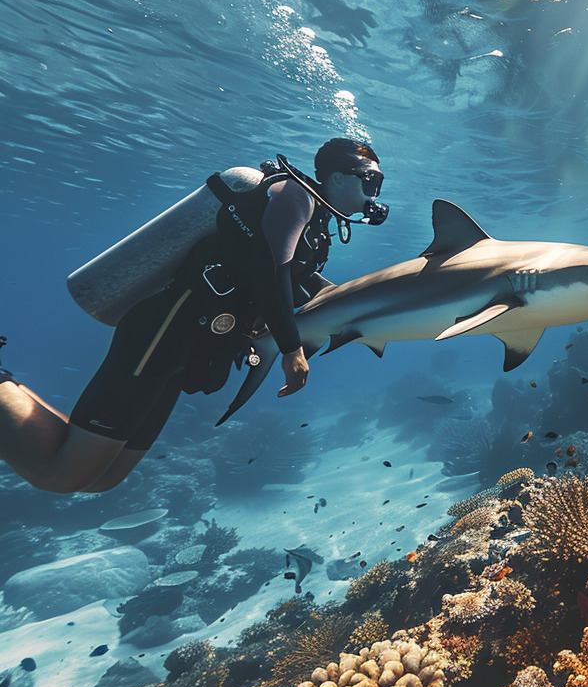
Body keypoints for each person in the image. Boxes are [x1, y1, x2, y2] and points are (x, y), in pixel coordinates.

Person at [0, 138, 387, 493]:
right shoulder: (295, 196)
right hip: (166, 330)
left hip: (199, 344)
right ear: (336, 178)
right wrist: (291, 349)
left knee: (104, 479)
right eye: (371, 181)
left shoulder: (318, 223)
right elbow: (273, 273)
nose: (376, 194)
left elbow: (287, 280)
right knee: (62, 475)